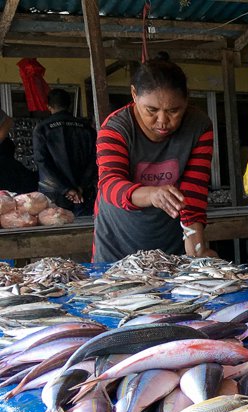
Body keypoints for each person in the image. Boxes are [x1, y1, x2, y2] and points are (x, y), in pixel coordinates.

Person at [93, 55, 217, 262]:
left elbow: (193, 190)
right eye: (152, 110)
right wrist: (152, 195)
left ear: (187, 100)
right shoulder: (115, 128)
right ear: (134, 94)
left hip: (169, 240)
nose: (162, 121)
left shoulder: (199, 126)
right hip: (117, 240)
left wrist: (196, 245)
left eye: (174, 111)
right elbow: (109, 184)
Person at [32, 88, 97, 216]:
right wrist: (81, 186)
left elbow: (42, 162)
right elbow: (95, 159)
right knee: (86, 229)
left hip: (55, 193)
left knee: (56, 230)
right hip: (83, 193)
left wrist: (66, 189)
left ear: (48, 106)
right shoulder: (87, 128)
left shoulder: (42, 129)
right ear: (69, 105)